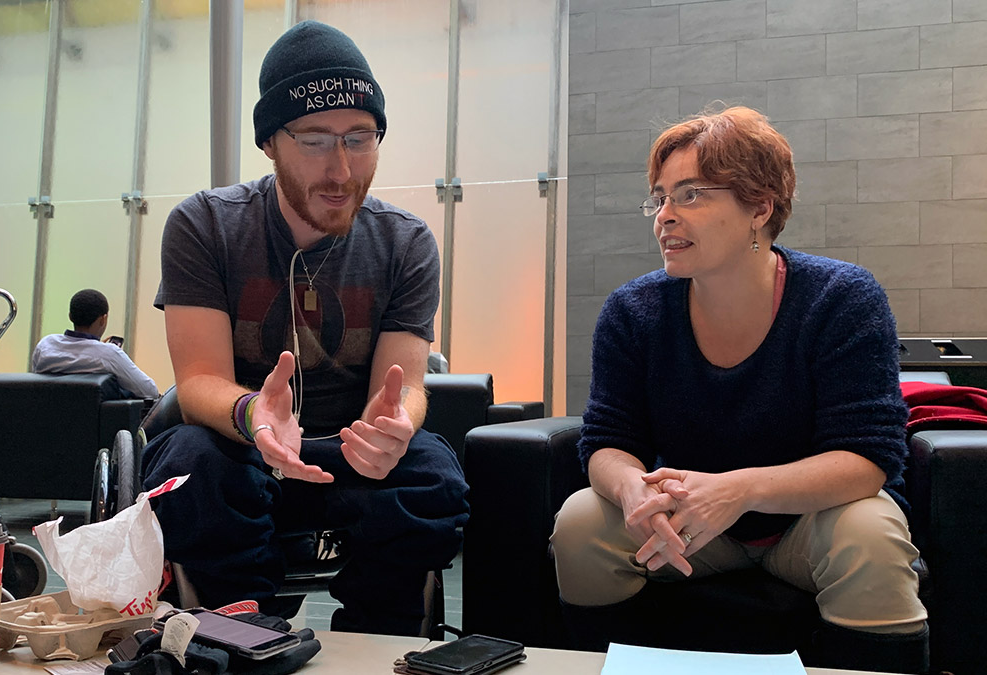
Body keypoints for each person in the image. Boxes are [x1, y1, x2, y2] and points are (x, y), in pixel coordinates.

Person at [549, 107, 928, 673]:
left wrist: (739, 491)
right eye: (659, 198)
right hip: (691, 525)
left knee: (869, 534)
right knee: (582, 523)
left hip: (812, 520)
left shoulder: (841, 298)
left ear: (760, 208)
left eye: (691, 195)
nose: (665, 217)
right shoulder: (635, 310)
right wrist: (632, 490)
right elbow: (607, 437)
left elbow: (868, 458)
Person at [140, 20, 469, 636]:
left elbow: (407, 384)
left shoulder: (406, 242)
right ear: (270, 141)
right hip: (240, 447)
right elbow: (198, 382)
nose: (341, 171)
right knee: (189, 464)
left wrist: (395, 424)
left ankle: (377, 636)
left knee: (433, 476)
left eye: (360, 138)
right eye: (315, 140)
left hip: (349, 453)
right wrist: (254, 417)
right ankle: (242, 630)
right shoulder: (206, 226)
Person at [30, 288, 159, 399]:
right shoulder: (109, 354)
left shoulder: (46, 345)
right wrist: (104, 349)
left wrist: (97, 348)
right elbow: (149, 391)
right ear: (103, 319)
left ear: (70, 316)